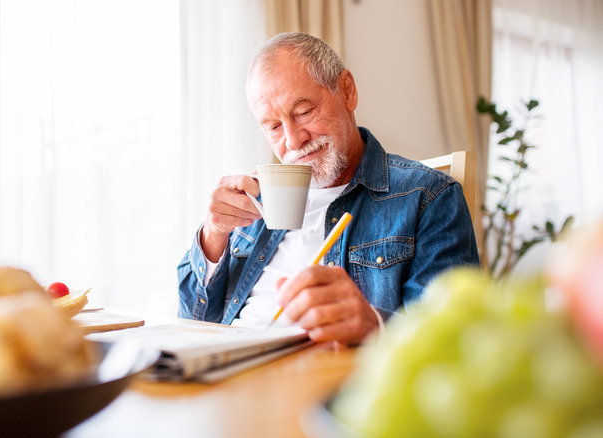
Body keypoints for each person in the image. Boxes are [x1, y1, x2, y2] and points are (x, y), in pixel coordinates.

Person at [177, 32, 479, 345]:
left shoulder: (427, 196)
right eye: (274, 127)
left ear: (347, 91)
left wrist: (374, 326)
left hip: (329, 383)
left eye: (304, 112)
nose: (293, 141)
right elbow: (192, 323)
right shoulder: (256, 201)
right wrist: (213, 235)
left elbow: (455, 339)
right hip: (231, 371)